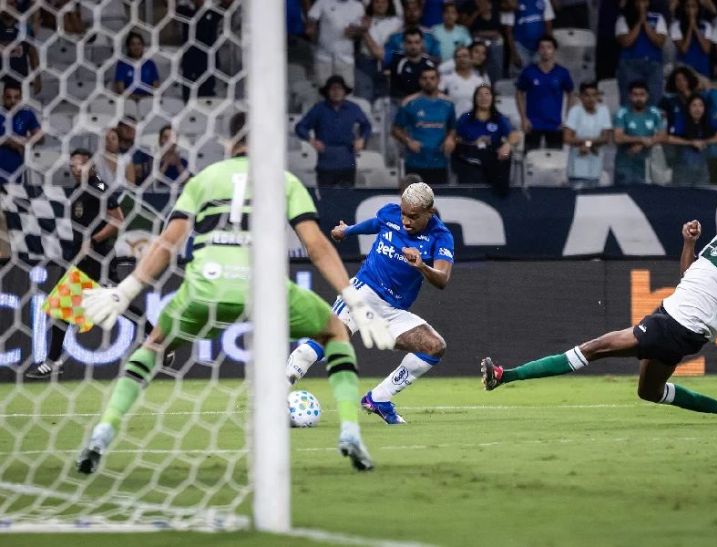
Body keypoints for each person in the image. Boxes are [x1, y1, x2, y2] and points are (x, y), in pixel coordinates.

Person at [76, 113, 394, 475]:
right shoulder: (284, 181)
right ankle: (351, 431)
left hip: (206, 288)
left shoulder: (205, 178)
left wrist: (126, 288)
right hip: (267, 290)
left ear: (230, 143)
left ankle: (103, 432)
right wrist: (352, 298)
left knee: (154, 345)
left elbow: (168, 242)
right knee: (335, 331)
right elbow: (316, 245)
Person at [481, 189, 717, 426]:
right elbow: (688, 272)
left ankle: (503, 375)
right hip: (671, 318)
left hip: (679, 326)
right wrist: (688, 244)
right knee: (650, 392)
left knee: (592, 349)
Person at [286, 181, 454, 425]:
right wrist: (347, 231)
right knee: (327, 340)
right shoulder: (390, 213)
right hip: (362, 292)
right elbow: (375, 224)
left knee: (434, 347)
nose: (406, 221)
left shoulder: (441, 237)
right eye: (404, 213)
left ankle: (379, 398)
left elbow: (442, 279)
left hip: (392, 311)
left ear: (429, 211)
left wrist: (422, 266)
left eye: (413, 217)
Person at [25, 148, 124, 379]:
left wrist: (93, 239)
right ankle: (53, 360)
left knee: (119, 304)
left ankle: (154, 338)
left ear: (90, 165)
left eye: (78, 164)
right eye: (71, 165)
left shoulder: (98, 186)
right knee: (61, 306)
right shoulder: (79, 190)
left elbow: (118, 220)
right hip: (81, 258)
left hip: (99, 258)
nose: (74, 169)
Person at [295, 75, 372, 187]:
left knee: (347, 198)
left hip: (347, 159)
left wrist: (362, 139)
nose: (336, 92)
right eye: (333, 89)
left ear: (344, 91)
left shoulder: (353, 108)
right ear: (327, 91)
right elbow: (300, 127)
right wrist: (312, 141)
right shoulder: (319, 108)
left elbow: (367, 125)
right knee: (326, 199)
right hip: (326, 161)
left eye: (339, 88)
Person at [392, 66, 457, 185]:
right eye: (425, 78)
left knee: (438, 200)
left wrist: (450, 138)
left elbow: (453, 128)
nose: (428, 81)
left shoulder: (448, 103)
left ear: (438, 80)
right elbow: (396, 129)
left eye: (432, 78)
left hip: (439, 161)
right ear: (420, 81)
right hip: (415, 161)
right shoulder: (409, 103)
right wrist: (408, 141)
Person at [452, 83, 520, 194]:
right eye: (480, 95)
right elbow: (454, 137)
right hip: (469, 155)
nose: (484, 98)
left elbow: (514, 135)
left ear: (493, 98)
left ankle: (500, 194)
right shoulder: (466, 117)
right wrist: (472, 142)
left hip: (492, 155)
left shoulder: (499, 118)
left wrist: (507, 145)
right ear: (475, 98)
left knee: (506, 156)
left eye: (487, 94)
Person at [516, 34, 573, 151]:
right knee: (530, 160)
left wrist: (568, 119)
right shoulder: (529, 71)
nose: (545, 51)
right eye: (542, 47)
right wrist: (523, 118)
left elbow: (571, 94)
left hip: (555, 125)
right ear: (538, 50)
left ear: (554, 50)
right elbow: (519, 93)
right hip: (532, 124)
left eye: (549, 47)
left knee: (555, 162)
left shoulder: (562, 73)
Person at [613, 80, 666, 185]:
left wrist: (642, 144)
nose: (639, 98)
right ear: (629, 96)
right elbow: (618, 138)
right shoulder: (622, 113)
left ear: (647, 96)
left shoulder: (654, 112)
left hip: (648, 165)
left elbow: (663, 136)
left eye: (642, 94)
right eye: (635, 95)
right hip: (625, 165)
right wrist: (641, 139)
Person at [615, 0, 667, 107]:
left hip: (653, 65)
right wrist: (639, 21)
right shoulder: (623, 19)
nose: (642, 3)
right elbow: (626, 42)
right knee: (629, 103)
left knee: (654, 103)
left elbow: (659, 42)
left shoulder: (658, 18)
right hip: (630, 65)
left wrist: (645, 22)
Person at [563, 81, 613, 188]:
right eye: (587, 95)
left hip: (595, 171)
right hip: (576, 171)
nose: (591, 99)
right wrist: (590, 142)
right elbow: (567, 138)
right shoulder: (575, 111)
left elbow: (606, 138)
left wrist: (588, 143)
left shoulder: (603, 111)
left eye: (594, 95)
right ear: (580, 97)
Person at [305, 0, 364, 89]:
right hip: (323, 57)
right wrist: (311, 29)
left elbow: (360, 30)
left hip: (346, 57)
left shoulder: (358, 6)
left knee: (346, 90)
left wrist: (354, 31)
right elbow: (312, 19)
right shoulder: (322, 2)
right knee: (322, 90)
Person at [666, 94, 717, 185]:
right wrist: (691, 143)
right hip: (682, 169)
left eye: (700, 105)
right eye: (694, 105)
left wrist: (704, 142)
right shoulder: (681, 121)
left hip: (702, 169)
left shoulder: (707, 122)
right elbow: (669, 139)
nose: (698, 109)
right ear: (688, 107)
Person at [176, 0, 225, 102]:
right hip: (190, 64)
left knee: (207, 100)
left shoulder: (213, 12)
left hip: (208, 66)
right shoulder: (186, 12)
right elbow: (170, 7)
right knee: (189, 100)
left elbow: (227, 4)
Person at [355, 0, 402, 102]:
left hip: (387, 64)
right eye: (377, 2)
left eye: (384, 2)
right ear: (372, 4)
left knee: (383, 100)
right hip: (365, 63)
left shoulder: (397, 22)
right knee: (364, 98)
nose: (380, 5)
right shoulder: (364, 20)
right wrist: (362, 28)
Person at [0, 80, 42, 183]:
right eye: (8, 97)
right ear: (3, 98)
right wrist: (8, 141)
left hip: (15, 169)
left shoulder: (27, 114)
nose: (13, 101)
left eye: (16, 97)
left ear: (22, 98)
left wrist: (26, 141)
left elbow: (40, 137)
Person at [389, 27, 438, 102]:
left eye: (416, 42)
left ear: (422, 43)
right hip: (401, 102)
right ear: (404, 44)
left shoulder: (430, 63)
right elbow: (396, 91)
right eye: (409, 42)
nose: (413, 46)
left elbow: (433, 88)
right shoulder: (396, 62)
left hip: (424, 102)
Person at [0, 8, 40, 95]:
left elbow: (32, 53)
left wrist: (37, 77)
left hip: (20, 78)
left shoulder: (26, 28)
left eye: (12, 4)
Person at [670, 0, 713, 78]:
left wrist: (695, 28)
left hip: (702, 69)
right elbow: (684, 49)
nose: (691, 10)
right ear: (683, 8)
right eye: (688, 6)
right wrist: (690, 27)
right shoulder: (676, 26)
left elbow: (706, 49)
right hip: (684, 70)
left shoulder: (706, 25)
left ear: (698, 9)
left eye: (694, 6)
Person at [439, 46, 487, 117]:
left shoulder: (479, 81)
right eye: (458, 56)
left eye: (465, 56)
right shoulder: (446, 78)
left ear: (471, 59)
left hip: (472, 120)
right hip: (453, 119)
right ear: (454, 60)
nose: (462, 59)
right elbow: (437, 97)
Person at [510, 0, 556, 72]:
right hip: (521, 46)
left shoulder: (544, 1)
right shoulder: (513, 2)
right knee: (521, 77)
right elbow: (508, 31)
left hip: (540, 48)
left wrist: (550, 49)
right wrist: (514, 53)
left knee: (541, 75)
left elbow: (548, 25)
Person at [113, 31, 160, 98]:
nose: (136, 47)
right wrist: (135, 98)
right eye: (133, 44)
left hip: (148, 100)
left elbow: (156, 86)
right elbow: (121, 90)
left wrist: (146, 98)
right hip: (129, 101)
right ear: (128, 47)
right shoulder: (122, 64)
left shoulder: (150, 64)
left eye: (139, 44)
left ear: (143, 46)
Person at [659, 66, 700, 137]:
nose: (681, 83)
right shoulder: (667, 100)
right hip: (672, 138)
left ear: (689, 80)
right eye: (678, 80)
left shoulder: (698, 99)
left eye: (684, 79)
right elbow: (661, 119)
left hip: (693, 137)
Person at [117, 116, 153, 186]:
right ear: (119, 129)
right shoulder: (111, 152)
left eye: (133, 127)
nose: (130, 129)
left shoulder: (144, 153)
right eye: (126, 126)